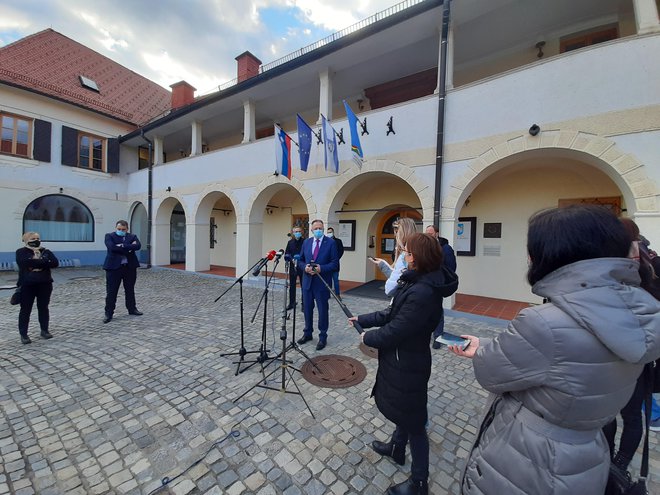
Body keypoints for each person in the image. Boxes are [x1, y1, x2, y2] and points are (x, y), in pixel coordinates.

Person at [448, 205, 660, 495]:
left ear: (554, 253)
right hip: (587, 452)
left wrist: (482, 351)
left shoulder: (543, 322)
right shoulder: (642, 310)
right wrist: (486, 344)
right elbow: (563, 361)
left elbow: (492, 373)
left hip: (531, 458)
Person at [349, 233, 458, 495]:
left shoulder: (423, 292)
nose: (404, 257)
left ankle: (419, 482)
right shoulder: (416, 282)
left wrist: (368, 337)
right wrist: (362, 318)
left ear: (419, 257)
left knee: (416, 423)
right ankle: (397, 448)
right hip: (400, 358)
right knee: (405, 411)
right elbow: (391, 313)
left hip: (409, 361)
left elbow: (397, 329)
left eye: (408, 253)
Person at [603, 217, 660, 477]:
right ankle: (617, 461)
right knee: (629, 413)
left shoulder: (640, 267)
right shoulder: (649, 262)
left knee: (620, 411)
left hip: (627, 351)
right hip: (639, 352)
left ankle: (616, 462)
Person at [297, 219, 339, 350]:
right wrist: (305, 267)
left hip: (322, 283)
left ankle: (322, 336)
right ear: (311, 230)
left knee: (322, 311)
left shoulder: (331, 243)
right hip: (307, 283)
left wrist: (321, 268)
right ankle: (307, 333)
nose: (318, 230)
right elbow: (300, 260)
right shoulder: (306, 242)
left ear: (323, 229)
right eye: (316, 228)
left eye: (320, 228)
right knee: (307, 310)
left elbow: (335, 264)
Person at [15, 232, 59, 344]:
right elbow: (24, 262)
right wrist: (44, 262)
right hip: (27, 284)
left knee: (43, 307)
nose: (36, 240)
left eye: (38, 238)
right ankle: (23, 334)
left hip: (44, 283)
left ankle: (44, 330)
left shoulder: (46, 251)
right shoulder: (21, 252)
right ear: (26, 240)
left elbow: (54, 263)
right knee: (25, 309)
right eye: (33, 238)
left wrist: (35, 263)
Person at [103, 220, 143, 323]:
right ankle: (109, 313)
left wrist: (122, 246)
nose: (121, 231)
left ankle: (132, 309)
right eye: (119, 229)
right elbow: (111, 247)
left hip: (129, 267)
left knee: (130, 289)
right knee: (111, 291)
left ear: (127, 229)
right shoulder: (109, 236)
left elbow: (138, 246)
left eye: (123, 229)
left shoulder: (132, 236)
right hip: (114, 268)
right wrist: (129, 247)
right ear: (116, 228)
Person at [425, 225, 457, 349]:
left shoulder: (446, 249)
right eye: (427, 233)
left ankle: (438, 336)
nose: (428, 236)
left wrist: (442, 280)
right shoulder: (424, 247)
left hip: (437, 285)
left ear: (436, 234)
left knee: (437, 310)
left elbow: (451, 268)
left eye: (431, 233)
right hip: (425, 283)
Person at [369, 217, 418, 297]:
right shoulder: (411, 250)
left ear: (403, 232)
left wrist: (382, 265)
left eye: (397, 231)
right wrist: (382, 264)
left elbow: (398, 280)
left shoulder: (407, 254)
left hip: (404, 297)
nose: (395, 235)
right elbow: (398, 276)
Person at [284, 225, 305, 310]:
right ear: (293, 233)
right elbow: (287, 253)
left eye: (299, 231)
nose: (298, 233)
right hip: (293, 267)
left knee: (304, 286)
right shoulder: (290, 242)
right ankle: (292, 303)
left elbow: (306, 253)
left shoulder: (305, 242)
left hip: (302, 266)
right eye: (296, 232)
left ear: (302, 232)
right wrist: (291, 259)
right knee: (292, 286)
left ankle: (304, 304)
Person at [326, 226, 344, 298]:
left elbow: (341, 251)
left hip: (335, 264)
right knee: (328, 280)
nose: (329, 233)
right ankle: (328, 294)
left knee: (336, 280)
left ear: (333, 232)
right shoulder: (325, 241)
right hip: (327, 264)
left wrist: (335, 259)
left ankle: (337, 294)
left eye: (330, 232)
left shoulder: (338, 241)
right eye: (328, 232)